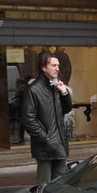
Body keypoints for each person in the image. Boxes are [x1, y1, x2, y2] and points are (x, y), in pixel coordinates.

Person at [21, 51, 73, 183]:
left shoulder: (56, 86)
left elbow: (67, 109)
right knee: (44, 184)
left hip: (59, 143)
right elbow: (28, 119)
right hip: (45, 146)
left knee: (61, 183)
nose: (57, 69)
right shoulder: (33, 90)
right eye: (54, 66)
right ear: (44, 67)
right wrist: (45, 138)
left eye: (58, 66)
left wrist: (64, 93)